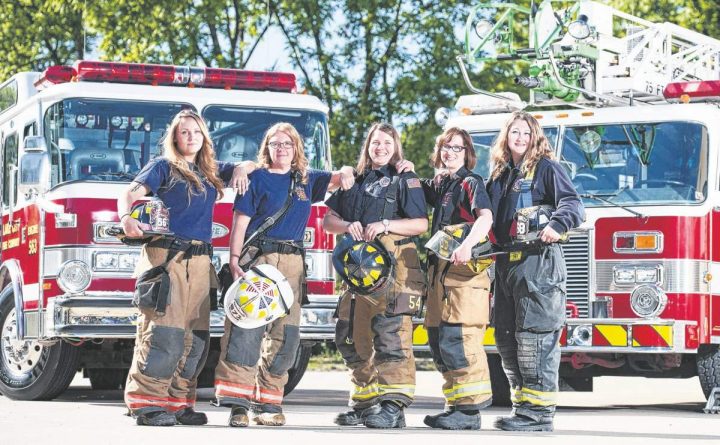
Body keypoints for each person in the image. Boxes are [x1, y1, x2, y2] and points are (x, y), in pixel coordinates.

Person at [214, 122, 355, 427]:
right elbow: (241, 221)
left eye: (287, 144)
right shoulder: (256, 178)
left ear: (296, 149)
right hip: (259, 259)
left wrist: (345, 169)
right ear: (267, 148)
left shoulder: (306, 179)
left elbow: (338, 178)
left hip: (292, 263)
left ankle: (269, 402)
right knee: (245, 331)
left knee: (285, 335)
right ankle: (238, 404)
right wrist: (235, 260)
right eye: (276, 144)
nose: (282, 149)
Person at [120, 109, 252, 426]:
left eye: (196, 131)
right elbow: (130, 193)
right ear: (175, 137)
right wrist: (126, 218)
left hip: (201, 261)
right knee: (163, 332)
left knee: (195, 338)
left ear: (204, 136)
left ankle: (179, 402)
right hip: (167, 259)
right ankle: (147, 402)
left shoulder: (209, 170)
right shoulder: (163, 167)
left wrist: (243, 169)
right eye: (184, 132)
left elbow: (251, 165)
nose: (191, 137)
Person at [324, 122, 428, 429]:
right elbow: (328, 220)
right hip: (358, 273)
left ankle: (393, 404)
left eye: (386, 142)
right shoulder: (354, 180)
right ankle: (366, 403)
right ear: (367, 147)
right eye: (374, 143)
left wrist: (385, 224)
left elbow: (420, 223)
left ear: (395, 146)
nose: (379, 147)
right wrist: (346, 227)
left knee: (392, 337)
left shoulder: (404, 178)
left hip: (398, 270)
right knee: (350, 337)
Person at [486, 111, 584, 432]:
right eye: (515, 132)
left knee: (535, 338)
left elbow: (572, 204)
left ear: (535, 137)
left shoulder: (546, 168)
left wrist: (556, 225)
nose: (520, 138)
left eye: (526, 133)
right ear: (506, 136)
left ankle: (539, 416)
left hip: (538, 263)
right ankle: (523, 409)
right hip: (506, 265)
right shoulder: (500, 176)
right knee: (506, 338)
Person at [411, 127, 494, 430]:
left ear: (467, 153)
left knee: (459, 338)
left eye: (456, 148)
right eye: (445, 147)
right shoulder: (443, 184)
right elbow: (418, 189)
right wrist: (406, 171)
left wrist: (467, 245)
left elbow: (485, 217)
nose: (449, 152)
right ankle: (456, 405)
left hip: (463, 277)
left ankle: (469, 412)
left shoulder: (471, 182)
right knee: (438, 339)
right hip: (441, 277)